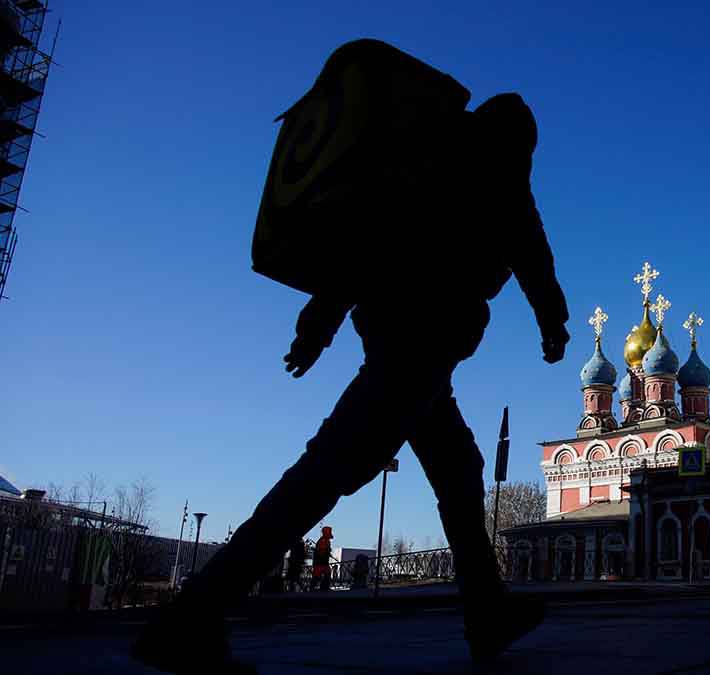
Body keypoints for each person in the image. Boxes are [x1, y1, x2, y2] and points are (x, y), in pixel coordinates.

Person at [132, 47, 570, 675]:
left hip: (407, 346)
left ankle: (487, 612)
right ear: (518, 145)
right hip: (419, 347)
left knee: (456, 468)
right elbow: (535, 260)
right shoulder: (498, 179)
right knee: (326, 473)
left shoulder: (426, 167)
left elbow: (368, 242)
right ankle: (192, 616)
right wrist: (552, 324)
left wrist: (320, 322)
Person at [312, 526, 333, 591]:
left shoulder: (325, 540)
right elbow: (321, 552)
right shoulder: (323, 541)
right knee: (319, 575)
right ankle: (319, 587)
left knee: (326, 573)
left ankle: (323, 587)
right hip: (320, 561)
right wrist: (327, 551)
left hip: (322, 561)